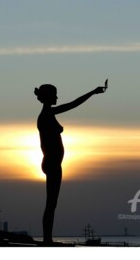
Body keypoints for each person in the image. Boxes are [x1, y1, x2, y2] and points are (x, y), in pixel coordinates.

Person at [34, 83, 106, 244]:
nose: (57, 98)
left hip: (52, 163)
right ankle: (47, 239)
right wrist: (92, 92)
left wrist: (93, 92)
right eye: (54, 95)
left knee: (52, 204)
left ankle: (48, 238)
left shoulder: (48, 114)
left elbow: (70, 105)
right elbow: (72, 104)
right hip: (52, 163)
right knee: (51, 204)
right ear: (47, 97)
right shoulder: (46, 114)